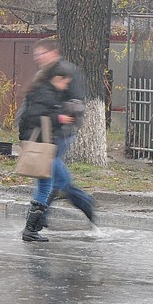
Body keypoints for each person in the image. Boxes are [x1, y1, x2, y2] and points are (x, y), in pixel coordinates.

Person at [18, 63, 96, 242]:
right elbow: (35, 116)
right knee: (46, 187)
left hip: (46, 146)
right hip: (43, 147)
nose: (65, 87)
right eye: (65, 83)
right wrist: (59, 118)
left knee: (61, 180)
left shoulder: (47, 92)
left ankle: (36, 225)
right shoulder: (46, 93)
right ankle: (30, 229)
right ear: (58, 79)